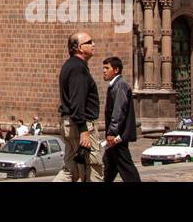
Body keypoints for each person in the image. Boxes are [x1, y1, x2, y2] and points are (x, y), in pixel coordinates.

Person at [53, 31, 104, 182]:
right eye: (90, 42)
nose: (93, 44)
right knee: (93, 168)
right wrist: (84, 131)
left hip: (70, 123)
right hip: (80, 125)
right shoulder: (78, 68)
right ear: (80, 48)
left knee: (71, 170)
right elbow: (77, 102)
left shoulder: (71, 65)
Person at [102, 56, 140, 183]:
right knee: (110, 165)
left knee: (125, 166)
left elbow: (119, 111)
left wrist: (112, 132)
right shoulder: (115, 85)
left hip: (118, 136)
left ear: (116, 70)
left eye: (107, 68)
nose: (104, 71)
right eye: (103, 68)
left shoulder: (120, 85)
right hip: (115, 135)